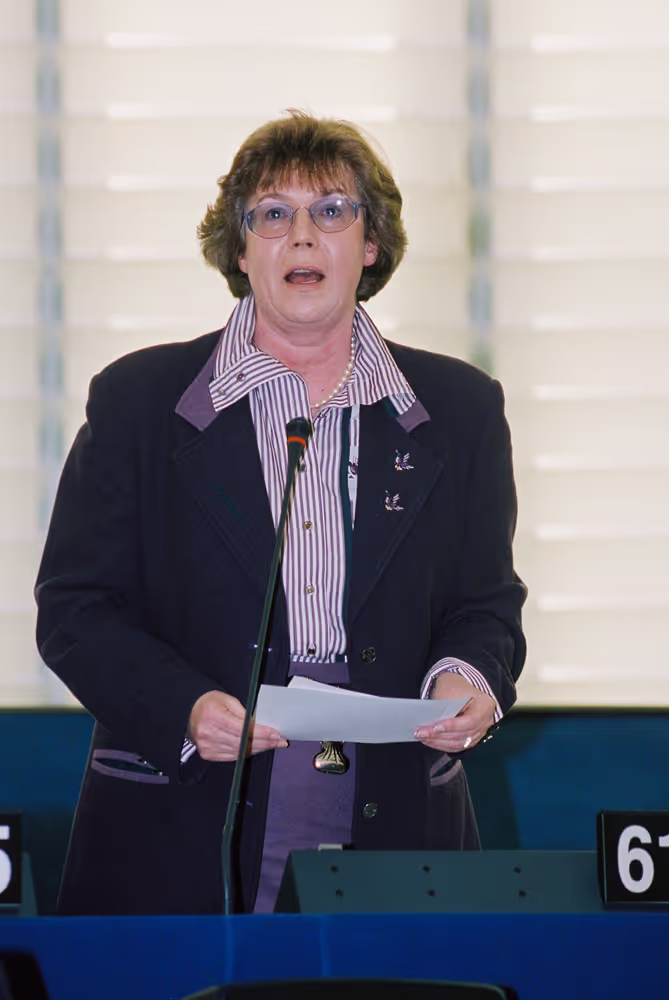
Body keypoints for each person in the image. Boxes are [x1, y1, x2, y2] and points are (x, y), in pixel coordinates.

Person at [35, 111, 526, 915]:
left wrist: (462, 680)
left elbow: (485, 603)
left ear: (370, 244)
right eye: (272, 215)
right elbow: (75, 609)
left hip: (399, 809)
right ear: (239, 249)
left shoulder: (459, 410)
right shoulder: (141, 403)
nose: (302, 236)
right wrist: (185, 708)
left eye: (331, 210)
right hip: (183, 808)